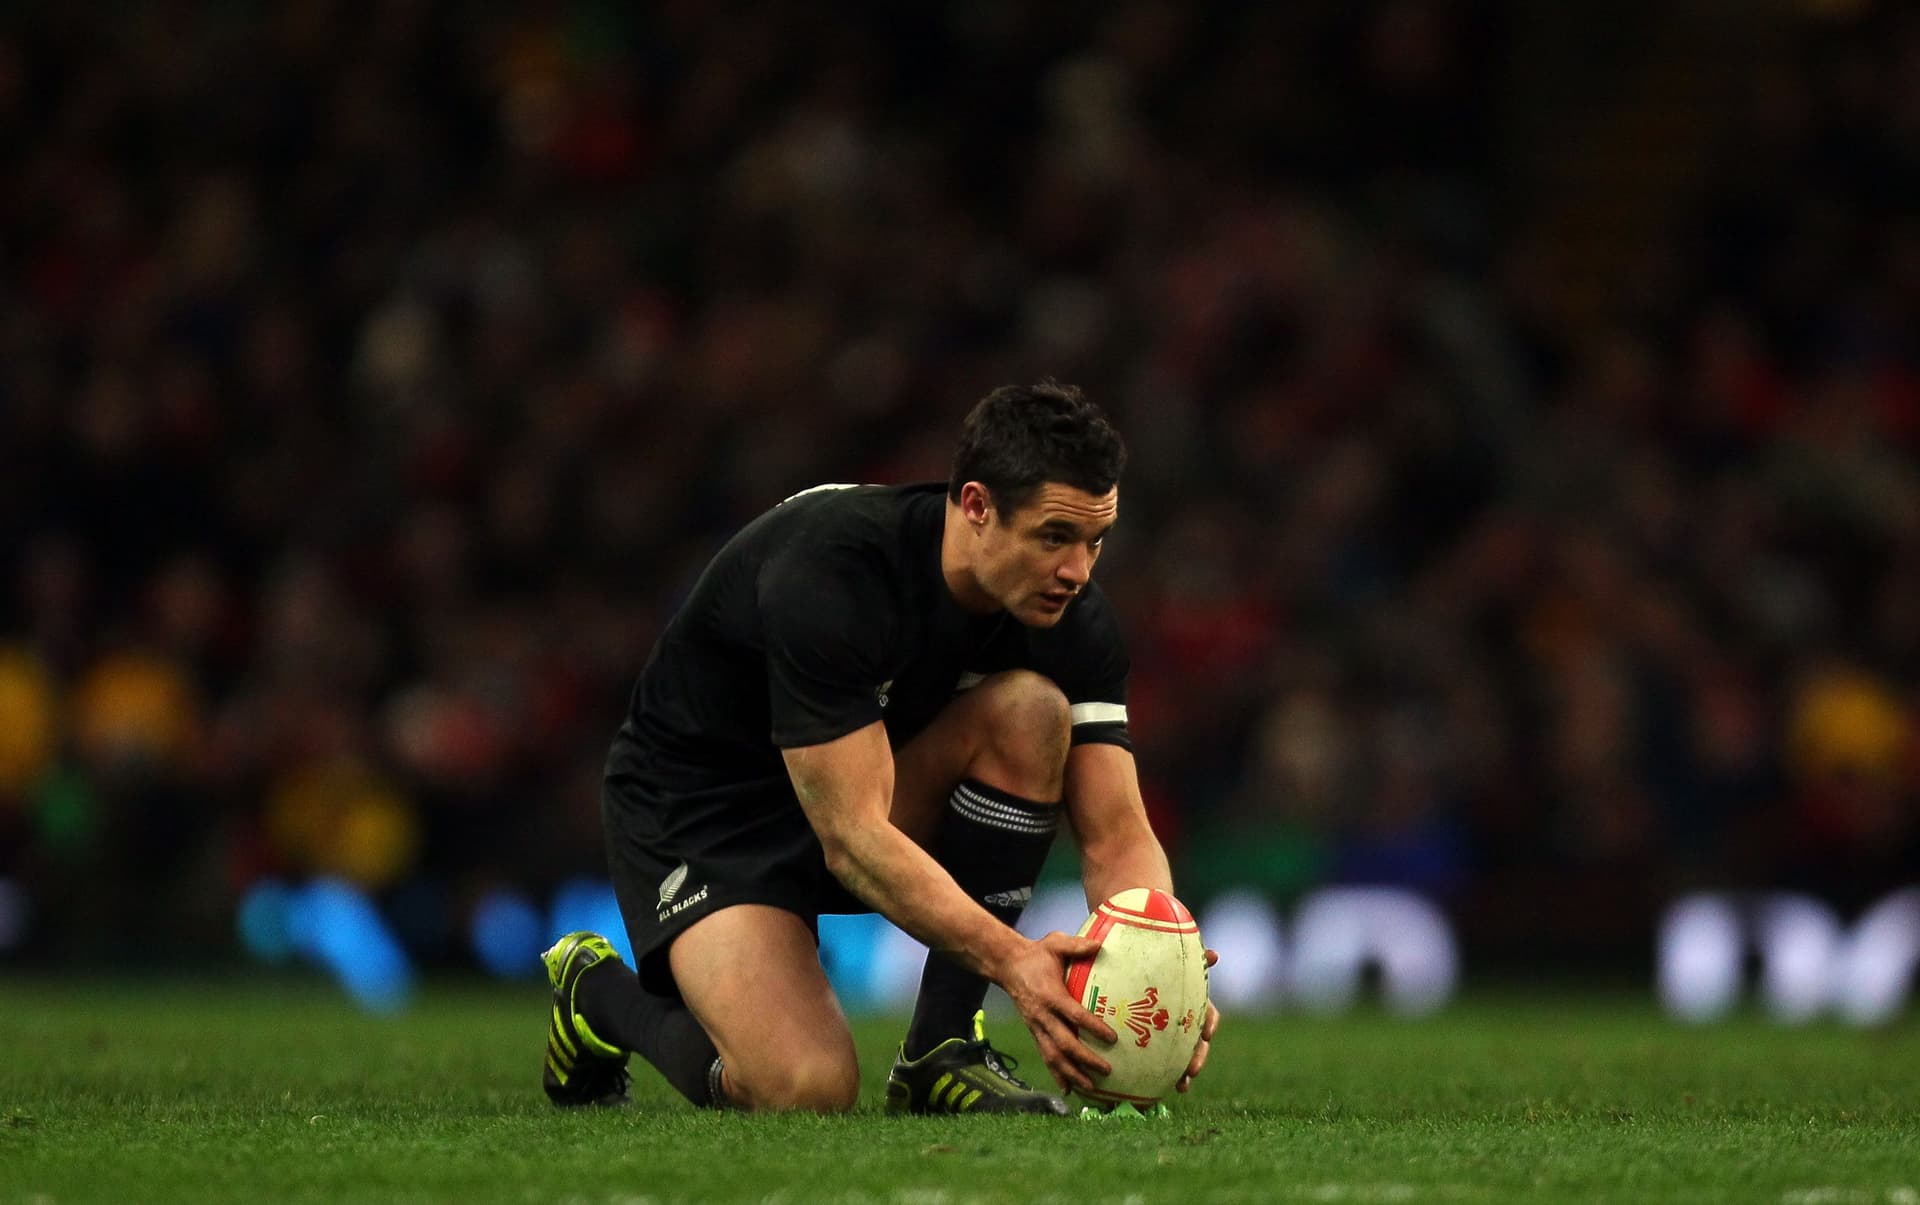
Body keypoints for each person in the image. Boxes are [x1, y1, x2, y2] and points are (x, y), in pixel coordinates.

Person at [541, 381, 1219, 1113]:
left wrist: (1165, 963)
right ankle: (598, 995)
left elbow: (1117, 832)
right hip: (704, 817)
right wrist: (1018, 963)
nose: (1078, 572)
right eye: (1054, 536)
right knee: (804, 1087)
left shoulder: (1071, 618)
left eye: (1096, 540)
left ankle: (941, 1046)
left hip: (856, 786)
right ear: (977, 507)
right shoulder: (832, 573)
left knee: (1030, 713)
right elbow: (853, 839)